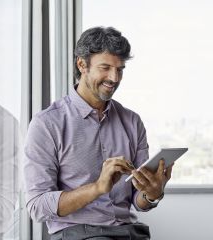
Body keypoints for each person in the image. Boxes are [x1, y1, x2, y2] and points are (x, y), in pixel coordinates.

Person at [23, 26, 173, 240]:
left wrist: (152, 193)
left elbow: (137, 201)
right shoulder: (47, 124)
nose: (114, 78)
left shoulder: (132, 122)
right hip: (77, 234)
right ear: (82, 64)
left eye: (120, 69)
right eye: (105, 68)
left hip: (129, 232)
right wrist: (97, 188)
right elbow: (37, 206)